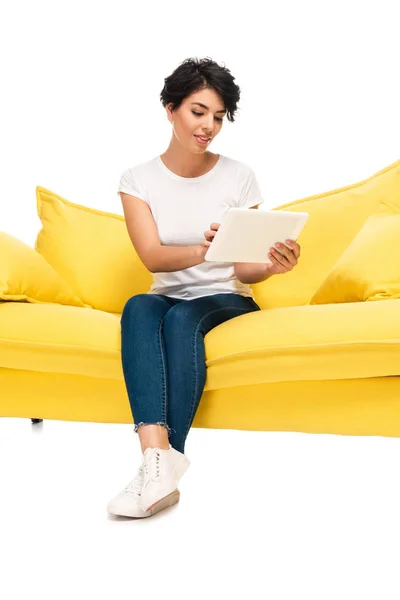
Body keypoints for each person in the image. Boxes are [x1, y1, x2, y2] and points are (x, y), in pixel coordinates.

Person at [107, 57, 300, 519]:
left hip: (225, 298)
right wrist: (202, 250)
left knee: (184, 316)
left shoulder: (238, 175)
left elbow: (245, 268)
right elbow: (152, 257)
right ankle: (157, 461)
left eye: (218, 117)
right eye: (198, 112)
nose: (209, 127)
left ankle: (163, 460)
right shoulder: (137, 179)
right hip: (167, 292)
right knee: (139, 305)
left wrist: (272, 267)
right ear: (170, 108)